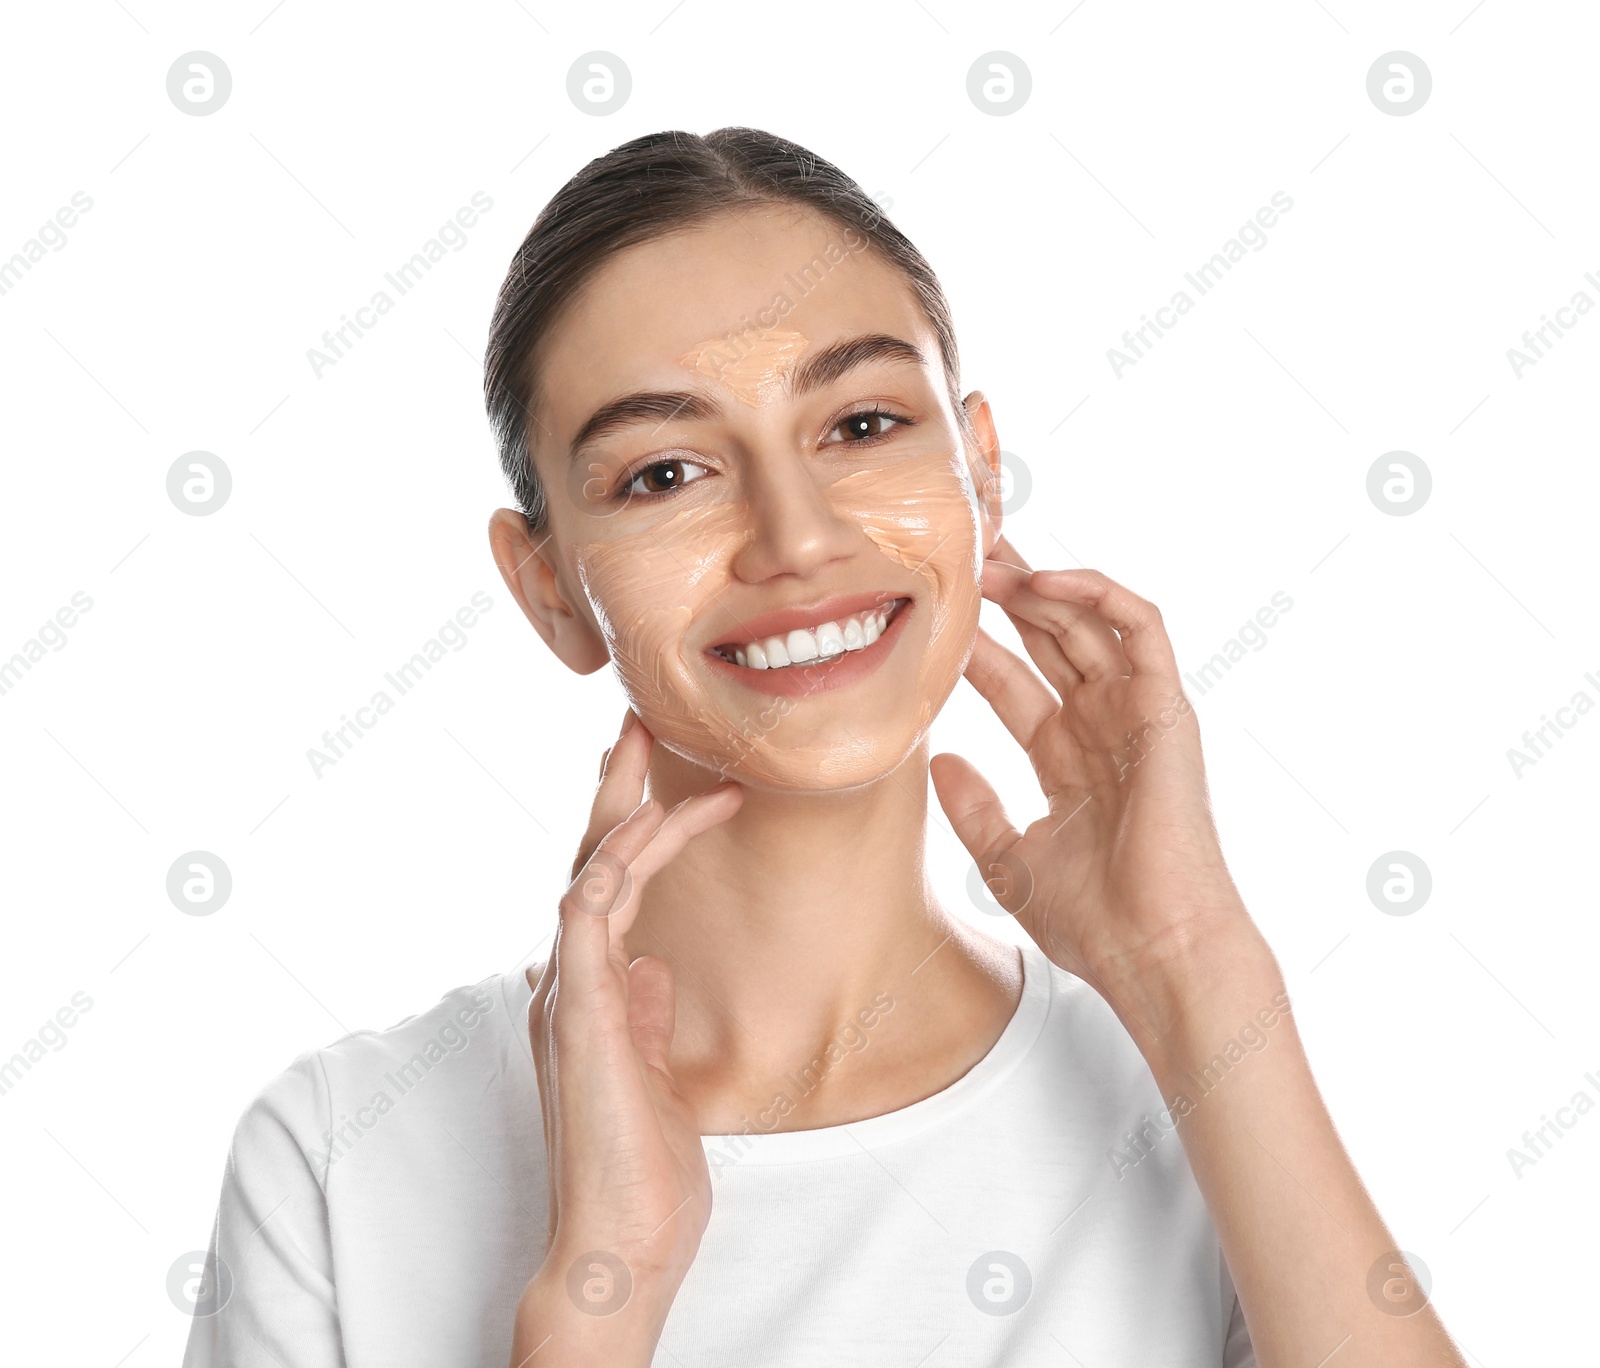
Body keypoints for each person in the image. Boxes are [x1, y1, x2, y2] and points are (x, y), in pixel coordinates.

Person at [182, 127, 1468, 1368]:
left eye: (860, 426)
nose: (796, 537)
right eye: (666, 474)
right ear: (549, 592)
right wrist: (601, 1293)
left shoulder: (1197, 1095)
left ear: (980, 471)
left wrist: (1195, 972)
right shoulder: (343, 1161)